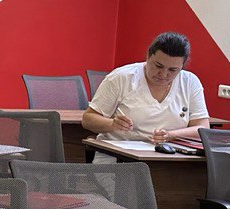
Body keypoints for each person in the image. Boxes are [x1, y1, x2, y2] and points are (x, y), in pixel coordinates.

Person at [82, 32, 210, 147]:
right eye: (158, 66)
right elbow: (88, 119)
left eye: (172, 70)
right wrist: (112, 124)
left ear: (182, 66)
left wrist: (170, 135)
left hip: (169, 155)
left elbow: (202, 128)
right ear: (148, 56)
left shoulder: (190, 82)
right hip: (119, 154)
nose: (163, 74)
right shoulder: (121, 77)